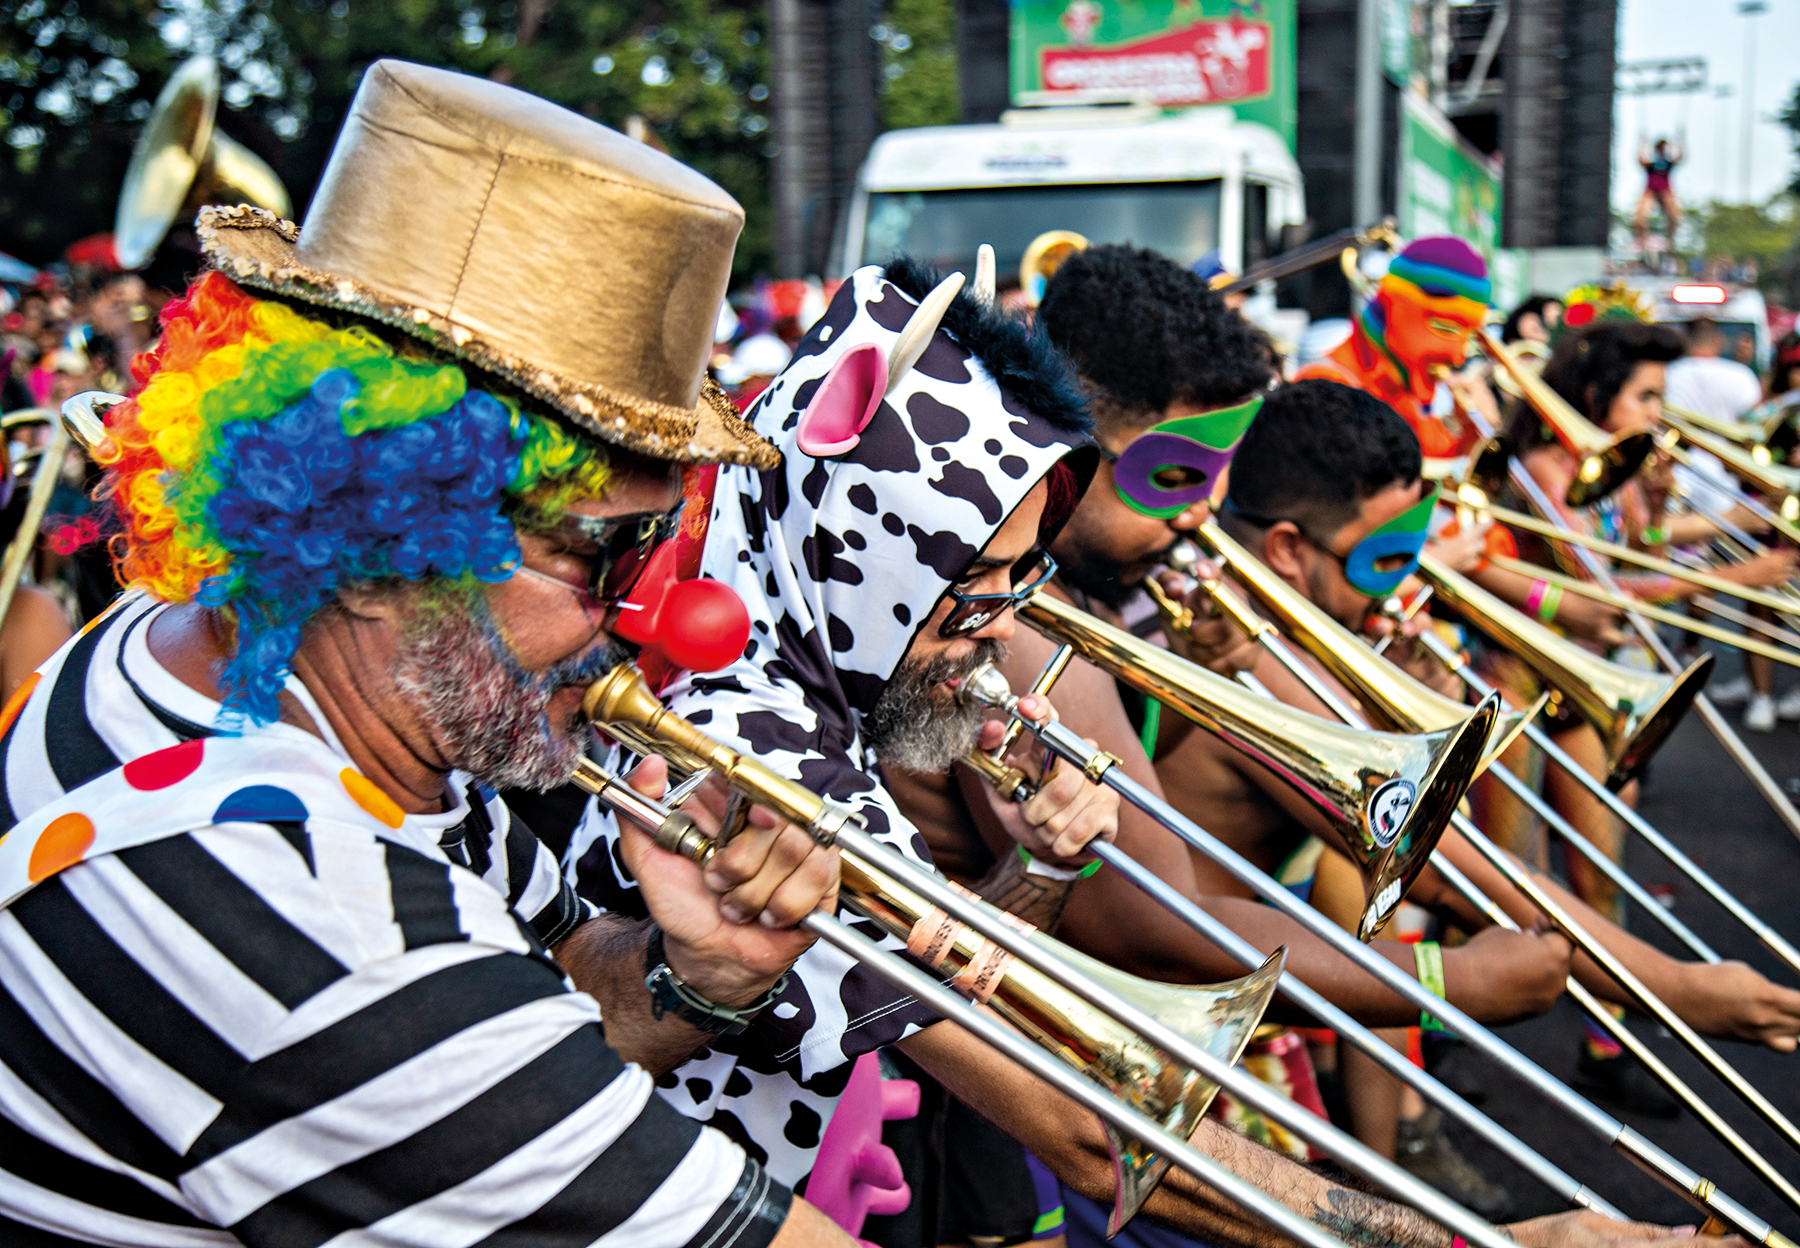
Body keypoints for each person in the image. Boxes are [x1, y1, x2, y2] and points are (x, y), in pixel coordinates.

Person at [558, 257, 1690, 1248]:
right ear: (868, 551)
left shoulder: (806, 661)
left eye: (1023, 580)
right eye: (970, 587)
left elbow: (938, 969)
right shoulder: (747, 740)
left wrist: (1036, 872)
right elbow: (1095, 1140)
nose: (1002, 624)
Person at [0, 61, 861, 1248]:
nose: (662, 621)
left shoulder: (206, 657)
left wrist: (697, 975)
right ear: (368, 531)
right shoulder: (327, 940)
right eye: (605, 553)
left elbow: (554, 1005)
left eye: (667, 543)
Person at [1663, 317, 1788, 727]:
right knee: (1723, 570)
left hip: (1684, 480)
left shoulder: (1673, 372)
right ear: (1718, 341)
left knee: (1698, 563)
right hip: (1724, 482)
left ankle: (1690, 644)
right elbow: (1754, 430)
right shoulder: (1740, 375)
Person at [1294, 236, 1494, 459]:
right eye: (1445, 328)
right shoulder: (1327, 387)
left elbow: (1439, 472)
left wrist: (1472, 434)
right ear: (1396, 307)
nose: (1459, 357)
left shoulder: (1407, 394)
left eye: (1469, 337)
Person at [1633, 139, 1682, 249]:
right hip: (1650, 191)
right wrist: (1641, 146)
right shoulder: (1651, 164)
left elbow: (1680, 158)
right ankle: (1643, 240)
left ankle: (1669, 240)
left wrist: (1680, 144)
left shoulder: (1667, 163)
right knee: (1639, 218)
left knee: (1675, 217)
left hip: (1665, 191)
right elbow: (1640, 161)